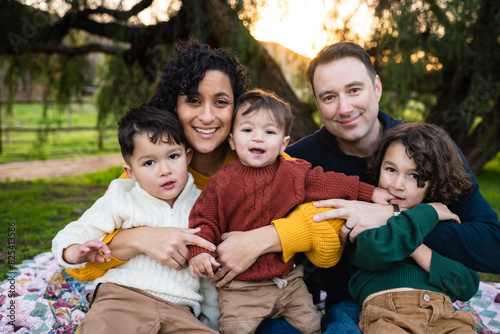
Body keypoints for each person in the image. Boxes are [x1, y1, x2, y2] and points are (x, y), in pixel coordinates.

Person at [256, 41, 500, 333]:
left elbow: (492, 247)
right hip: (349, 304)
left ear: (377, 87)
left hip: (429, 299)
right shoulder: (299, 161)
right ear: (317, 103)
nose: (344, 108)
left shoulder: (426, 151)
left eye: (354, 90)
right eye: (329, 97)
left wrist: (390, 215)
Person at [187, 89, 390, 334]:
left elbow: (331, 183)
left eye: (269, 132)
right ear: (232, 139)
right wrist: (199, 252)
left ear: (284, 143)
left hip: (288, 282)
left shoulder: (293, 173)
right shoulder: (222, 183)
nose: (258, 138)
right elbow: (204, 220)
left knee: (312, 325)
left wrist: (371, 193)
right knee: (234, 328)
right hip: (242, 289)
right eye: (247, 130)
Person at [52, 103, 219, 333]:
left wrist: (211, 321)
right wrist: (72, 250)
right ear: (131, 172)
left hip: (181, 309)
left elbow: (208, 271)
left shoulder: (204, 204)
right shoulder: (122, 196)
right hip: (121, 298)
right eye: (149, 163)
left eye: (173, 156)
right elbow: (78, 230)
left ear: (187, 156)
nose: (165, 170)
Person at [349, 122, 479, 333]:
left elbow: (467, 285)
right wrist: (428, 213)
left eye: (414, 176)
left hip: (445, 316)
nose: (397, 184)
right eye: (391, 169)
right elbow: (375, 251)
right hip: (388, 315)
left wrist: (419, 251)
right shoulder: (370, 216)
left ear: (434, 182)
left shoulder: (443, 226)